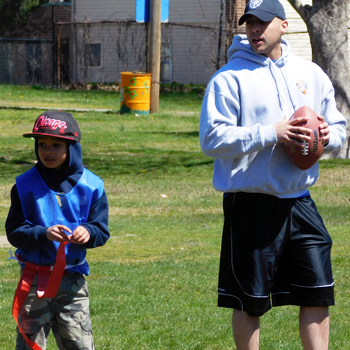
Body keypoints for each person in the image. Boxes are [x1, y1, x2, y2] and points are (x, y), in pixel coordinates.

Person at [199, 0, 347, 349]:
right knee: (249, 300)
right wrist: (272, 133)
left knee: (318, 292)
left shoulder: (310, 74)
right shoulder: (228, 79)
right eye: (249, 22)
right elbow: (212, 139)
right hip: (250, 202)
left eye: (262, 22)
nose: (254, 29)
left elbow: (339, 128)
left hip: (299, 201)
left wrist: (327, 138)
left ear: (283, 25)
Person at [6, 110, 110, 350]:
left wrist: (88, 232)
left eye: (55, 144)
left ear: (71, 147)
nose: (47, 151)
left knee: (79, 344)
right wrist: (43, 233)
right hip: (34, 282)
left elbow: (101, 230)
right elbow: (15, 232)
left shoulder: (92, 186)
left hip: (72, 284)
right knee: (30, 345)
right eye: (42, 144)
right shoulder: (24, 185)